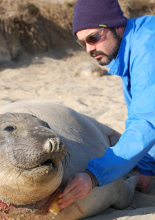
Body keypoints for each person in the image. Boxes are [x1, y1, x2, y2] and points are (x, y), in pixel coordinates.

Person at [58, 0, 155, 209]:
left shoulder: (148, 48)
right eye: (82, 42)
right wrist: (147, 170)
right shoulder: (128, 48)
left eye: (93, 38)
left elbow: (146, 122)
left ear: (116, 26)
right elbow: (144, 113)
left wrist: (94, 175)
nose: (89, 49)